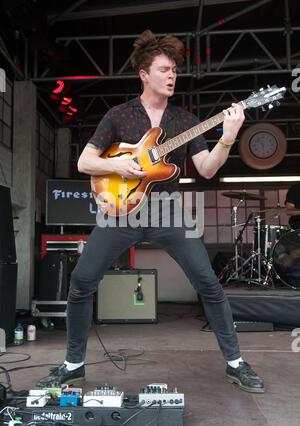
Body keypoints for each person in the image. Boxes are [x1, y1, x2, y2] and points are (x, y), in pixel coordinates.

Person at [37, 30, 264, 393]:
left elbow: (206, 169)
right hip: (121, 212)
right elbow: (85, 161)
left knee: (208, 283)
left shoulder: (186, 121)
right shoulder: (119, 115)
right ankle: (73, 364)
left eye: (174, 69)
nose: (172, 75)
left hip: (167, 211)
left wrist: (229, 136)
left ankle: (236, 363)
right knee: (81, 282)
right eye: (163, 69)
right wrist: (119, 169)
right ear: (144, 74)